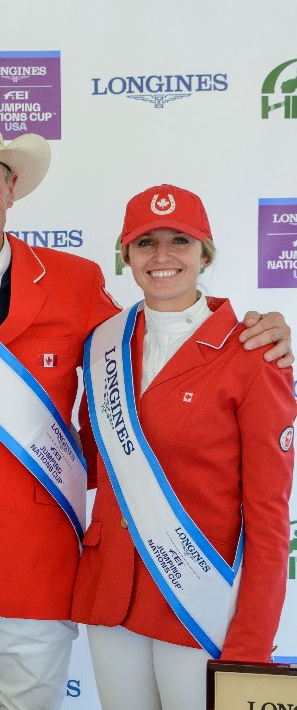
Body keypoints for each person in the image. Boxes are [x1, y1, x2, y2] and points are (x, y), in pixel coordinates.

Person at [0, 110, 293, 710]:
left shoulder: (74, 283)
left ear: (11, 191)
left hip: (34, 552)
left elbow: (144, 354)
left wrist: (264, 328)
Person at [71, 184, 296, 709]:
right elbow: (95, 462)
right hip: (112, 597)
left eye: (181, 241)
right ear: (126, 254)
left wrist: (252, 645)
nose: (163, 256)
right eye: (146, 242)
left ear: (205, 253)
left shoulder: (253, 353)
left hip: (199, 599)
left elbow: (268, 515)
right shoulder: (104, 342)